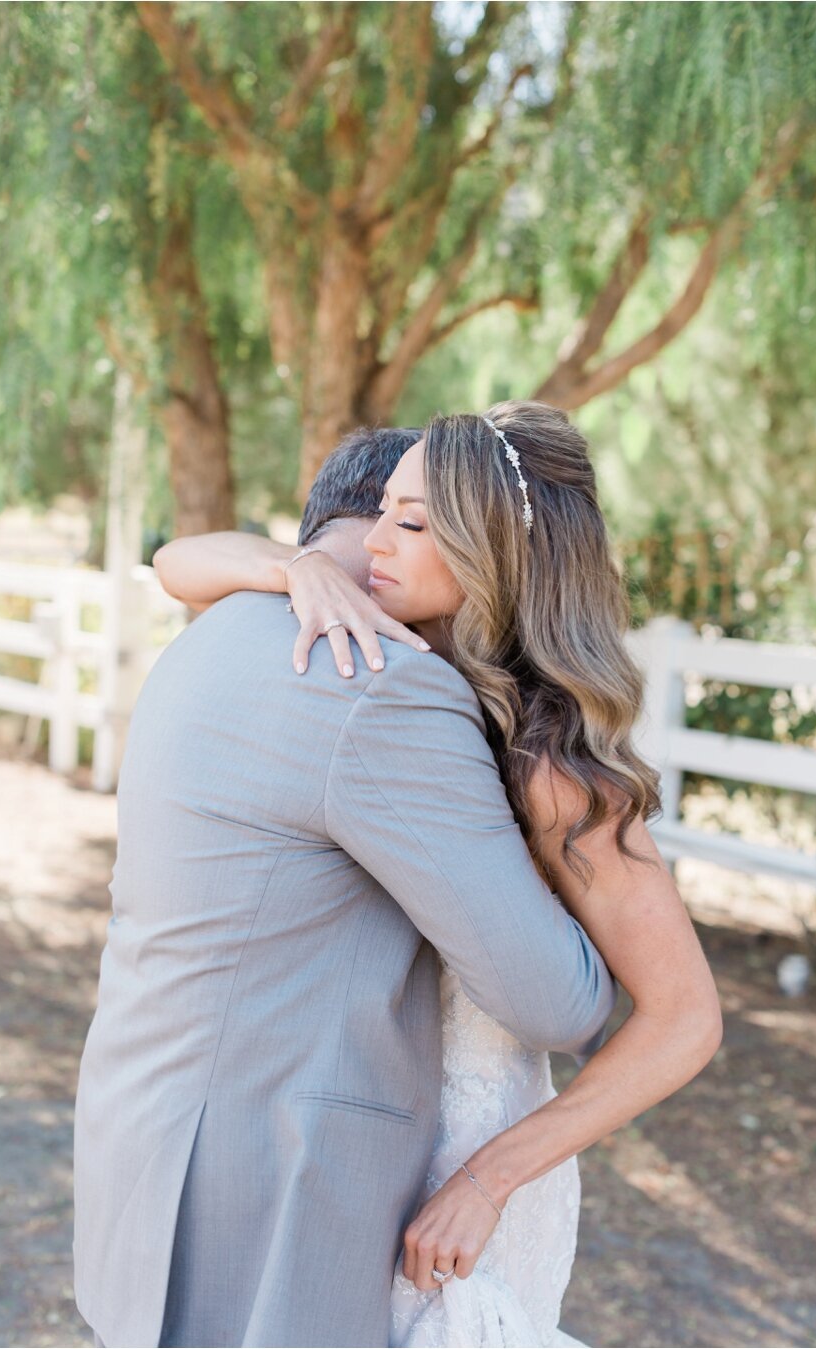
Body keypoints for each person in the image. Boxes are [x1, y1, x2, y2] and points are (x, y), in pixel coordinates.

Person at [154, 402, 723, 1348]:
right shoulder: (386, 640)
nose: (371, 543)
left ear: (492, 551)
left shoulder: (549, 758)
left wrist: (491, 1177)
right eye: (382, 508)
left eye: (411, 523)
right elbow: (176, 563)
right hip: (369, 1156)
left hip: (468, 1171)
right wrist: (289, 564)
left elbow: (686, 1017)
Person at [73, 425, 619, 1349]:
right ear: (387, 524)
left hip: (140, 1136)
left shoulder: (207, 639)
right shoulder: (386, 683)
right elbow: (553, 1002)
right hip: (271, 1190)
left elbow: (177, 561)